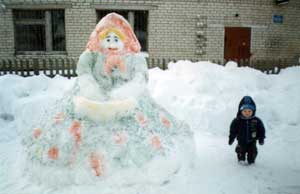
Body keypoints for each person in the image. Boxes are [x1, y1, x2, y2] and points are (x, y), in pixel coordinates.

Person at [23, 13, 193, 183]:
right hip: (90, 101)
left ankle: (139, 166)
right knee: (76, 130)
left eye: (116, 39)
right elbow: (84, 72)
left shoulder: (133, 59)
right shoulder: (91, 56)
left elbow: (140, 78)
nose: (111, 44)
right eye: (107, 39)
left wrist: (126, 91)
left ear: (125, 40)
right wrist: (90, 87)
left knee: (140, 132)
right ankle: (84, 163)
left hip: (127, 103)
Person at [228, 96, 265, 165]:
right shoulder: (237, 121)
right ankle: (241, 159)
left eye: (249, 111)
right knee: (240, 151)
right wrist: (231, 138)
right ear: (240, 111)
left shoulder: (256, 121)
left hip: (252, 141)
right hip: (241, 141)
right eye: (244, 111)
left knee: (253, 152)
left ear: (253, 111)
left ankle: (251, 160)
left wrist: (261, 139)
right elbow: (233, 130)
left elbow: (261, 130)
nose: (247, 113)